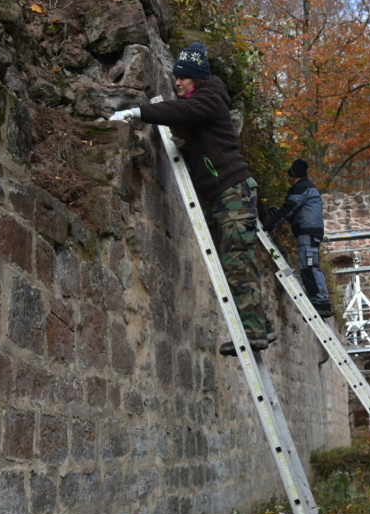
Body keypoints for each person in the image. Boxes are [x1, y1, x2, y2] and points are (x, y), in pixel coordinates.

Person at [107, 42, 272, 357]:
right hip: (227, 192)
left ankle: (253, 334)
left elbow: (182, 111)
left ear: (198, 77)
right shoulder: (204, 101)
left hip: (232, 192)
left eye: (183, 77)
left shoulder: (209, 98)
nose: (177, 82)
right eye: (175, 76)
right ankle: (261, 325)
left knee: (236, 259)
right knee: (239, 259)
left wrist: (136, 111)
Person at [265, 159, 333, 319]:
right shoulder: (308, 188)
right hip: (310, 234)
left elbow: (290, 208)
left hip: (307, 235)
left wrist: (269, 225)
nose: (288, 179)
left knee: (309, 267)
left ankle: (320, 303)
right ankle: (322, 302)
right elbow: (296, 212)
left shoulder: (302, 188)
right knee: (311, 267)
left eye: (290, 176)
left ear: (294, 175)